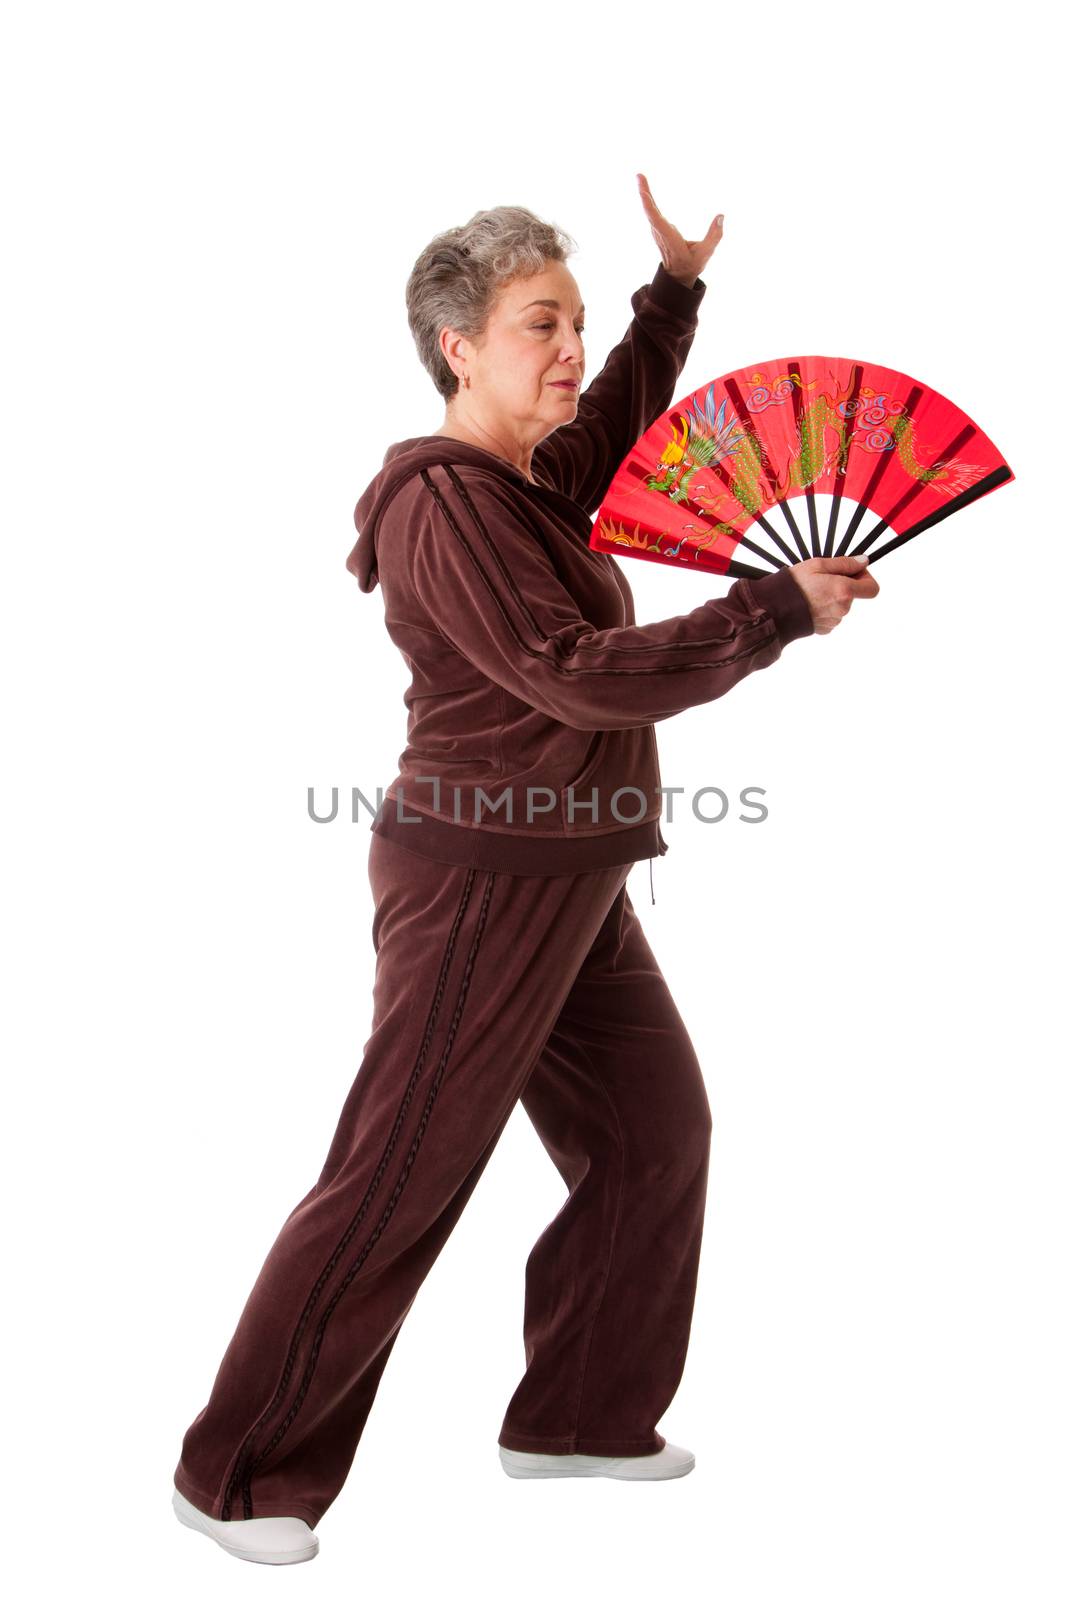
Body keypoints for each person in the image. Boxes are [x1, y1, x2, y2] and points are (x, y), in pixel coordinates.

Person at [172, 175, 879, 1565]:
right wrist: (769, 612)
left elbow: (613, 430)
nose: (568, 349)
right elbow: (573, 678)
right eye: (538, 325)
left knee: (651, 1136)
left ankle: (578, 1415)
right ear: (458, 347)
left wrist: (670, 294)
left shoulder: (528, 479)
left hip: (575, 871)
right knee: (397, 1177)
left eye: (572, 321)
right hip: (484, 881)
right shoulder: (448, 507)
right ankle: (236, 1471)